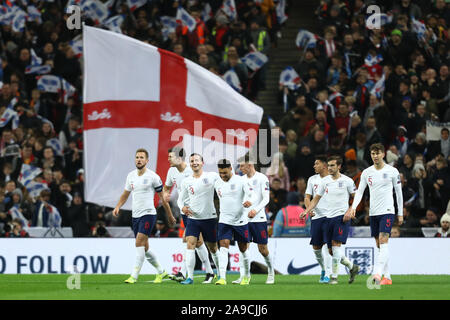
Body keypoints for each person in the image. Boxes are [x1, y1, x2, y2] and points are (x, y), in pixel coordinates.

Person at [112, 148, 176, 284]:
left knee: (139, 242)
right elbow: (125, 194)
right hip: (136, 215)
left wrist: (170, 215)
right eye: (137, 157)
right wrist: (118, 206)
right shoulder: (131, 176)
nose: (139, 159)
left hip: (148, 214)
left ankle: (134, 276)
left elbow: (162, 199)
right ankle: (161, 272)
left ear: (147, 161)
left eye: (141, 157)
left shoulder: (153, 177)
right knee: (145, 247)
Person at [349, 143, 404, 286]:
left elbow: (399, 193)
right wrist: (353, 207)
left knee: (383, 240)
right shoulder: (367, 172)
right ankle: (388, 277)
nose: (375, 156)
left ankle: (377, 273)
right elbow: (360, 191)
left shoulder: (392, 171)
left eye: (378, 153)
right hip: (373, 212)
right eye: (373, 154)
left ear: (383, 154)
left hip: (387, 211)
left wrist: (400, 213)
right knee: (380, 245)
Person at [303, 155, 360, 285]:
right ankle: (352, 267)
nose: (330, 168)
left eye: (333, 165)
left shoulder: (348, 181)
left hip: (341, 217)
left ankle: (334, 277)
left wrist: (350, 210)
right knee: (330, 250)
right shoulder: (324, 181)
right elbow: (316, 199)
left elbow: (356, 197)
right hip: (327, 217)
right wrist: (306, 211)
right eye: (328, 165)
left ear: (339, 166)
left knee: (335, 246)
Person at [163, 147, 215, 283]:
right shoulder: (171, 171)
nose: (168, 159)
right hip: (184, 211)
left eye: (171, 157)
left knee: (192, 241)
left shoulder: (191, 170)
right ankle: (208, 272)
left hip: (198, 212)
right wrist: (165, 194)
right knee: (196, 242)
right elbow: (166, 188)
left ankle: (184, 272)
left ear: (179, 158)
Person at [177, 153, 221, 285]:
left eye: (196, 160)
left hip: (209, 218)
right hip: (193, 219)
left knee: (213, 248)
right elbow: (180, 199)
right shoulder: (186, 181)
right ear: (190, 164)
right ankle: (189, 277)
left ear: (202, 162)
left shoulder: (212, 176)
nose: (194, 163)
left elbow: (225, 182)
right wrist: (182, 208)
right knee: (190, 243)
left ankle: (220, 273)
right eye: (192, 161)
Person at [214, 159, 252, 285]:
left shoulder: (241, 181)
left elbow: (249, 194)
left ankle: (246, 275)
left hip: (240, 220)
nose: (222, 175)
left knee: (243, 249)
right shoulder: (217, 182)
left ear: (231, 168)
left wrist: (248, 201)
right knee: (223, 246)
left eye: (225, 173)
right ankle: (222, 277)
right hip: (224, 219)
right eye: (220, 173)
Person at [237, 154, 274, 285]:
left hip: (259, 219)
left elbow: (266, 198)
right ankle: (244, 275)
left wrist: (255, 210)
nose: (240, 168)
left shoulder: (262, 178)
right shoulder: (241, 180)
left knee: (262, 249)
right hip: (244, 220)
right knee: (243, 248)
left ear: (250, 164)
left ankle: (270, 271)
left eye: (242, 165)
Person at [304, 155, 332, 283]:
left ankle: (327, 274)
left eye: (316, 163)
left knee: (327, 246)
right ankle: (323, 268)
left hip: (330, 216)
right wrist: (309, 209)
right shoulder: (312, 179)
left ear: (324, 165)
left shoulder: (333, 179)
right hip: (316, 216)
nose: (314, 166)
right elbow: (307, 197)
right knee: (316, 248)